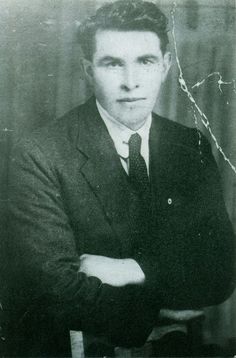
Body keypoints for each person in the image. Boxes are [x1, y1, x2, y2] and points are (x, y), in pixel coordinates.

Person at [6, 0, 235, 356]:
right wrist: (157, 309)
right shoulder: (40, 153)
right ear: (87, 70)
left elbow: (220, 271)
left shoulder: (190, 145)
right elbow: (55, 290)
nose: (131, 83)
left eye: (144, 62)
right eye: (113, 64)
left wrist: (134, 269)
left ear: (165, 66)